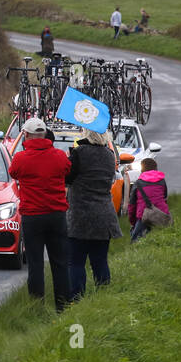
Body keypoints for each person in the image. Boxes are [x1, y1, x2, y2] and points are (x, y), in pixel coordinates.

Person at [8, 116, 71, 311]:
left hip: (33, 216)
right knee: (60, 262)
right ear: (45, 134)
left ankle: (37, 305)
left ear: (26, 136)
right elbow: (68, 170)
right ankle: (63, 306)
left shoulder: (21, 158)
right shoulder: (59, 156)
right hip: (56, 214)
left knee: (35, 263)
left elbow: (13, 173)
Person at [65, 128, 121, 301]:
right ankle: (103, 299)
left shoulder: (79, 153)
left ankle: (76, 300)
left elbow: (67, 178)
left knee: (76, 262)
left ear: (86, 134)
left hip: (80, 215)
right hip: (104, 215)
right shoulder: (109, 155)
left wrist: (70, 157)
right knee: (100, 261)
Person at [128, 157, 170, 242]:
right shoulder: (162, 181)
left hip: (144, 217)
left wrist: (133, 222)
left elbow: (132, 206)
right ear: (156, 168)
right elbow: (165, 197)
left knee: (134, 242)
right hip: (161, 215)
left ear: (142, 169)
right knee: (164, 240)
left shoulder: (138, 183)